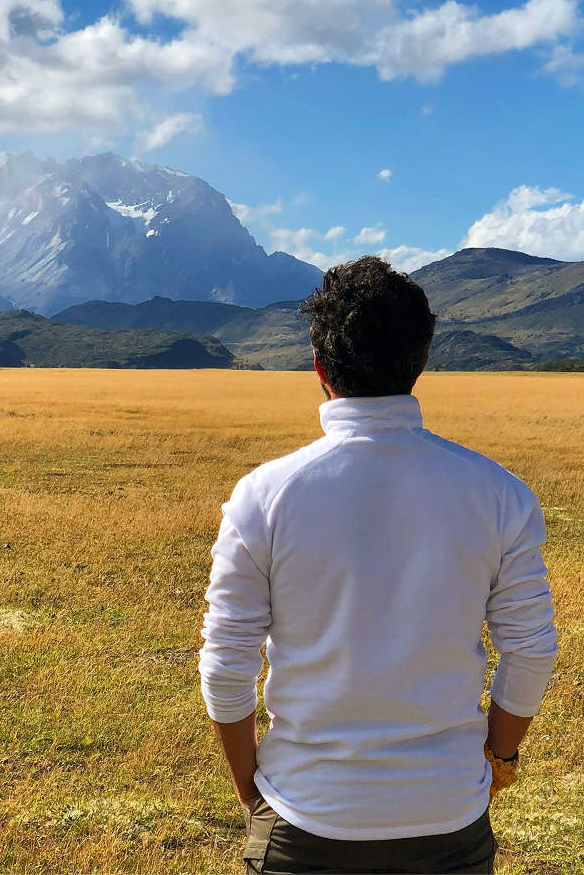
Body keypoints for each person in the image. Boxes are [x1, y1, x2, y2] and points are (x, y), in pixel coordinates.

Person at [198, 256, 558, 875]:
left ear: (318, 366)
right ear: (421, 361)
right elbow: (530, 650)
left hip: (303, 815)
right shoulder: (498, 492)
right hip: (448, 817)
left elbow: (227, 659)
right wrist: (500, 760)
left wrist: (249, 790)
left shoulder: (264, 494)